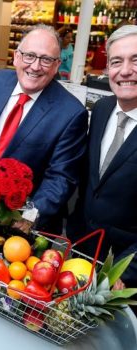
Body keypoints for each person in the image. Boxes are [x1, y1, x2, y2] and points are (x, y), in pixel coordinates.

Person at [0, 24, 89, 233]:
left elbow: (61, 177)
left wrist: (31, 216)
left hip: (25, 223)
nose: (35, 66)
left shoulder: (71, 113)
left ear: (57, 65)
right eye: (29, 56)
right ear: (16, 57)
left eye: (46, 59)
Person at [67, 25, 137, 288]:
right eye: (116, 61)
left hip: (124, 275)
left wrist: (124, 273)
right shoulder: (102, 108)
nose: (126, 70)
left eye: (135, 60)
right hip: (82, 253)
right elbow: (90, 182)